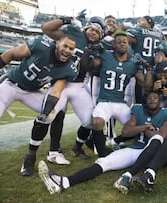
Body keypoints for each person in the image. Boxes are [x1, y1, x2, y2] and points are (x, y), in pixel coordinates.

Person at [38, 91, 167, 194]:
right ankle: (64, 182)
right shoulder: (138, 109)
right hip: (134, 149)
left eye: (155, 98)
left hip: (152, 153)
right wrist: (145, 127)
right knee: (104, 163)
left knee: (156, 140)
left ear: (160, 101)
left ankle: (128, 176)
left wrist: (138, 129)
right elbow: (126, 131)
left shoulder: (166, 113)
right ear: (145, 101)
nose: (152, 100)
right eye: (149, 98)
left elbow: (161, 136)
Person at [20, 17, 106, 177]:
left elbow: (88, 68)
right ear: (87, 28)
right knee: (47, 116)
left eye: (97, 32)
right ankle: (30, 157)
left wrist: (94, 53)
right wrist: (64, 21)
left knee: (91, 120)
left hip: (78, 86)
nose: (93, 33)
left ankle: (80, 148)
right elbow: (48, 30)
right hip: (60, 81)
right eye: (92, 29)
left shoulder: (97, 48)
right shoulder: (73, 33)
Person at [0, 34, 77, 127]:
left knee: (54, 112)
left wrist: (45, 114)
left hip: (31, 92)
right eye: (65, 46)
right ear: (57, 43)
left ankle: (35, 141)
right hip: (12, 85)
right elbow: (11, 54)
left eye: (71, 48)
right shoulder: (42, 46)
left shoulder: (69, 69)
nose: (67, 50)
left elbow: (56, 91)